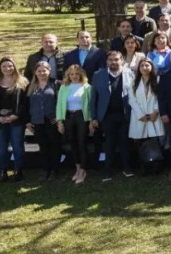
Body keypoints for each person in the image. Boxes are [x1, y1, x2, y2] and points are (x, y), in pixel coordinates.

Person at [0, 56, 30, 183]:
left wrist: (16, 115)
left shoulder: (23, 82)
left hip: (16, 120)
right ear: (0, 68)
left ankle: (18, 170)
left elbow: (26, 103)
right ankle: (3, 171)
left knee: (17, 146)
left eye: (10, 66)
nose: (7, 68)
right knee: (0, 148)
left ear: (14, 67)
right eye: (4, 66)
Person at [91, 51, 134, 181]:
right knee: (109, 143)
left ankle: (127, 168)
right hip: (107, 115)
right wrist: (94, 117)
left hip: (124, 114)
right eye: (110, 59)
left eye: (116, 59)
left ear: (122, 60)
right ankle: (108, 171)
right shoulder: (98, 75)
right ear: (106, 61)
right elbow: (94, 98)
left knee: (124, 143)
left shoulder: (130, 73)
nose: (113, 62)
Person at [127, 58, 164, 176]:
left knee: (154, 141)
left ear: (152, 67)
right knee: (140, 141)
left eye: (147, 65)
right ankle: (143, 166)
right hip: (140, 116)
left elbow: (160, 97)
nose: (144, 68)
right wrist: (140, 114)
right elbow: (132, 100)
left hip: (154, 115)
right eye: (142, 66)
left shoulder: (158, 80)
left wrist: (155, 111)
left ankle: (155, 166)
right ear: (139, 68)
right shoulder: (134, 82)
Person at [56, 64, 92, 184]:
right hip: (68, 117)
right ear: (68, 76)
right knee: (72, 143)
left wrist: (92, 121)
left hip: (82, 116)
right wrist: (60, 121)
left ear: (81, 75)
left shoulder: (87, 87)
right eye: (72, 74)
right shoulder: (64, 87)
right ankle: (77, 169)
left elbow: (91, 106)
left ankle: (83, 170)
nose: (74, 76)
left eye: (77, 74)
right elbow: (59, 105)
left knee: (82, 143)